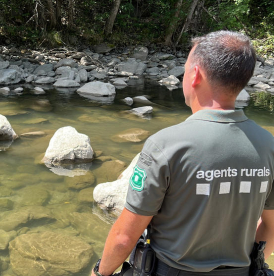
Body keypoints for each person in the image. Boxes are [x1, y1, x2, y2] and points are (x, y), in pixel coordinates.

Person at [92, 31, 274, 276]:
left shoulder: (165, 145)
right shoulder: (268, 145)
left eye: (186, 69)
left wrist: (99, 273)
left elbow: (124, 238)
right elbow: (271, 228)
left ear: (196, 75)